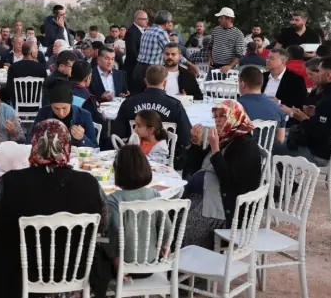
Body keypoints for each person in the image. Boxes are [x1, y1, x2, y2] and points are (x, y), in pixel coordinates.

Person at [0, 119, 107, 298]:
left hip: (15, 277)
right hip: (74, 273)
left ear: (34, 145)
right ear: (66, 145)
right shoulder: (89, 183)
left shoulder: (10, 181)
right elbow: (102, 226)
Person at [90, 145, 171, 298]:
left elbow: (112, 238)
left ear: (118, 171)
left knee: (97, 245)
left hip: (122, 266)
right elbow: (168, 230)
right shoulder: (154, 195)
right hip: (150, 264)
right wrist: (165, 246)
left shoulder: (114, 200)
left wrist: (115, 259)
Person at [182, 100, 261, 249]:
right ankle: (170, 262)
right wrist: (195, 143)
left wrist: (216, 150)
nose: (217, 119)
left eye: (222, 115)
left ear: (234, 117)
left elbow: (231, 183)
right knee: (169, 218)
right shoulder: (226, 138)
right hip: (203, 197)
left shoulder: (245, 146)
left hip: (225, 209)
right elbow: (195, 167)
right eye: (215, 115)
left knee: (183, 227)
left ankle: (190, 267)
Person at [279, 56, 331, 167]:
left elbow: (319, 135)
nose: (317, 74)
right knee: (283, 135)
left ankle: (290, 184)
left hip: (321, 154)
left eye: (319, 71)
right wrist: (315, 114)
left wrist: (303, 118)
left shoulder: (330, 99)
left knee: (273, 144)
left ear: (329, 75)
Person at [113, 66, 192, 167]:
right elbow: (186, 138)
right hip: (166, 160)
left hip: (134, 158)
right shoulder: (175, 105)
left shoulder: (129, 103)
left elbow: (118, 133)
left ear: (145, 81)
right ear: (165, 83)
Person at [31, 84, 98, 148]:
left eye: (64, 108)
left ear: (71, 103)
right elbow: (30, 138)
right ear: (51, 105)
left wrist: (82, 138)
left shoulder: (84, 115)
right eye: (56, 108)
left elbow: (95, 147)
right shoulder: (43, 113)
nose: (61, 113)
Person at [236, 65, 287, 148]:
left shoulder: (235, 106)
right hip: (264, 158)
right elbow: (280, 139)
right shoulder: (278, 108)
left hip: (238, 157)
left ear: (242, 84)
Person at [4, 41, 46, 105]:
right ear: (32, 52)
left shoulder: (13, 67)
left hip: (17, 103)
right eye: (36, 48)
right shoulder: (41, 68)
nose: (37, 50)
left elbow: (9, 88)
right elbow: (45, 87)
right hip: (36, 103)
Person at [208, 7, 246, 72]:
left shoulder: (238, 34)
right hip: (214, 65)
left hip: (228, 68)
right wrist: (210, 58)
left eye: (221, 18)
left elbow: (239, 53)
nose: (219, 20)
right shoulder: (216, 30)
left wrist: (230, 66)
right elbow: (210, 46)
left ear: (229, 19)